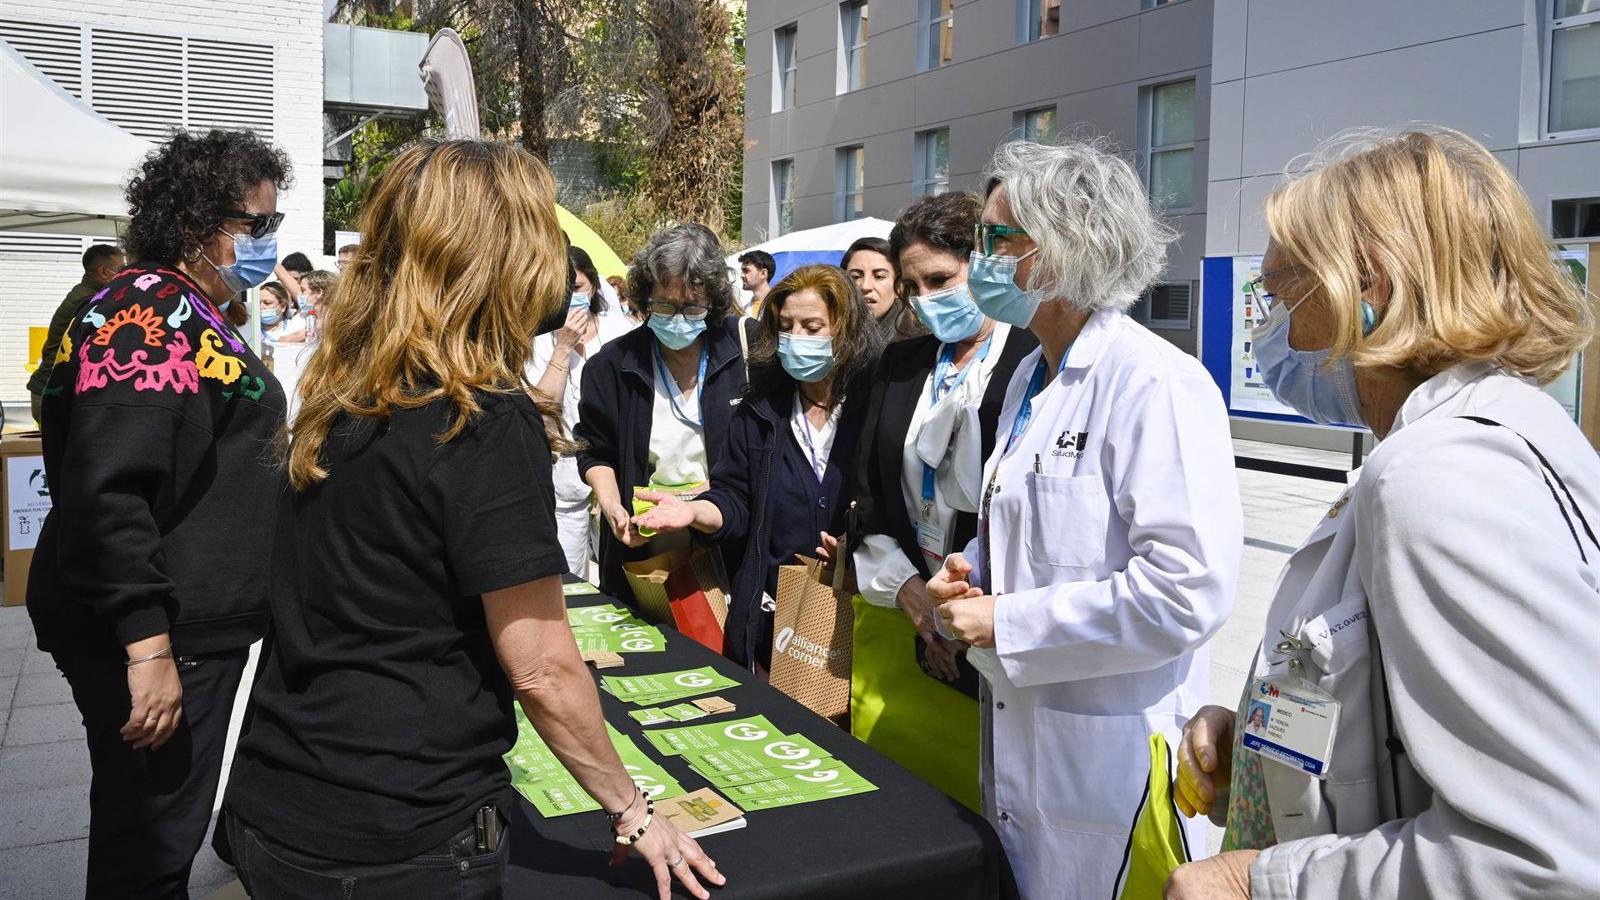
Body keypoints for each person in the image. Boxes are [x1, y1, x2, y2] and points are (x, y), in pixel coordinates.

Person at [224, 140, 723, 899]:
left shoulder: (349, 387)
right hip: (400, 833)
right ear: (505, 259)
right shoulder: (478, 420)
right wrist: (634, 812)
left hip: (282, 797)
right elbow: (540, 666)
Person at [1168, 128, 1600, 899]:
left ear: (1369, 286)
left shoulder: (1442, 475)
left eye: (1281, 294)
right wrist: (1270, 760)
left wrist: (1256, 883)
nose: (1274, 333)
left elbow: (1547, 858)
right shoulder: (1485, 436)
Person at [925, 139, 1241, 899]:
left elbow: (1186, 591)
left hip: (1114, 764)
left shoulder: (1155, 383)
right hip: (1026, 740)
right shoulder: (1033, 372)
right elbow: (1043, 528)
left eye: (999, 240)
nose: (981, 260)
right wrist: (976, 572)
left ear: (1067, 248)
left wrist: (1009, 620)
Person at [26, 128, 290, 898]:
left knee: (145, 830)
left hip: (183, 625)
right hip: (161, 631)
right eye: (256, 225)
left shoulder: (186, 308)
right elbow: (112, 489)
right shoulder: (143, 315)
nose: (268, 243)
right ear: (195, 224)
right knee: (150, 843)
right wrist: (148, 648)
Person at [847, 193, 1037, 811]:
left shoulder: (1032, 361)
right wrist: (909, 592)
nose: (927, 299)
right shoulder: (899, 363)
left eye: (940, 279)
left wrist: (963, 611)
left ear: (977, 264)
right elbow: (868, 488)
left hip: (994, 622)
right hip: (909, 600)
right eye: (912, 285)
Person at [634, 264, 883, 669]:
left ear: (844, 330)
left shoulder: (875, 408)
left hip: (860, 612)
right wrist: (695, 511)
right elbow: (735, 499)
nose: (796, 338)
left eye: (812, 327)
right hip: (772, 618)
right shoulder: (760, 412)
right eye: (786, 326)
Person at [576, 224, 752, 604]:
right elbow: (594, 449)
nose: (677, 319)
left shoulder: (743, 352)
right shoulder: (612, 365)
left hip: (728, 536)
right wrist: (611, 506)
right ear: (645, 297)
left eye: (692, 308)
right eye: (665, 306)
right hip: (645, 544)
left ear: (714, 302)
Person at [531, 245, 635, 577]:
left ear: (591, 283)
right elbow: (542, 411)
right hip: (564, 483)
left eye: (575, 288)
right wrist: (562, 349)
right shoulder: (537, 340)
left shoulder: (621, 332)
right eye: (562, 290)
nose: (571, 298)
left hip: (618, 473)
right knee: (571, 580)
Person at [28, 243, 126, 423]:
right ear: (104, 272)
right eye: (121, 269)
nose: (125, 274)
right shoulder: (89, 302)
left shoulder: (86, 293)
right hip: (55, 392)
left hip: (50, 389)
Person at [841, 236, 921, 340]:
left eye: (879, 276)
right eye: (856, 277)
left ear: (900, 287)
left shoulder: (918, 345)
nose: (865, 286)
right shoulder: (829, 337)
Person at [276, 269, 336, 344]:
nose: (300, 295)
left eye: (303, 290)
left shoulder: (337, 320)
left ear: (319, 293)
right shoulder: (303, 316)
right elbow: (281, 341)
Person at [738, 249, 776, 317]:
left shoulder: (780, 306)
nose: (741, 275)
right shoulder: (744, 310)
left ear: (763, 274)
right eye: (742, 271)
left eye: (746, 270)